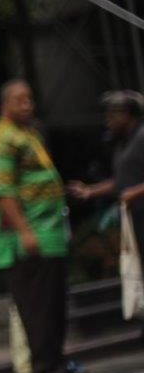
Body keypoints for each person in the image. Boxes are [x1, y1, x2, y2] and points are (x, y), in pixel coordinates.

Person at [0, 80, 88, 373]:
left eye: (29, 99)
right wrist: (25, 232)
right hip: (26, 240)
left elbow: (31, 181)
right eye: (19, 100)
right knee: (38, 308)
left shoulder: (26, 133)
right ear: (4, 104)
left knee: (52, 306)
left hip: (47, 233)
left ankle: (56, 363)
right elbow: (1, 192)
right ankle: (44, 372)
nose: (27, 105)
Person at [68, 90, 144, 259]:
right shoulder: (121, 145)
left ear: (125, 114)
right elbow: (122, 181)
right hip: (135, 217)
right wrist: (90, 191)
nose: (107, 122)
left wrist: (135, 192)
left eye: (111, 116)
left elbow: (130, 188)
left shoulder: (141, 137)